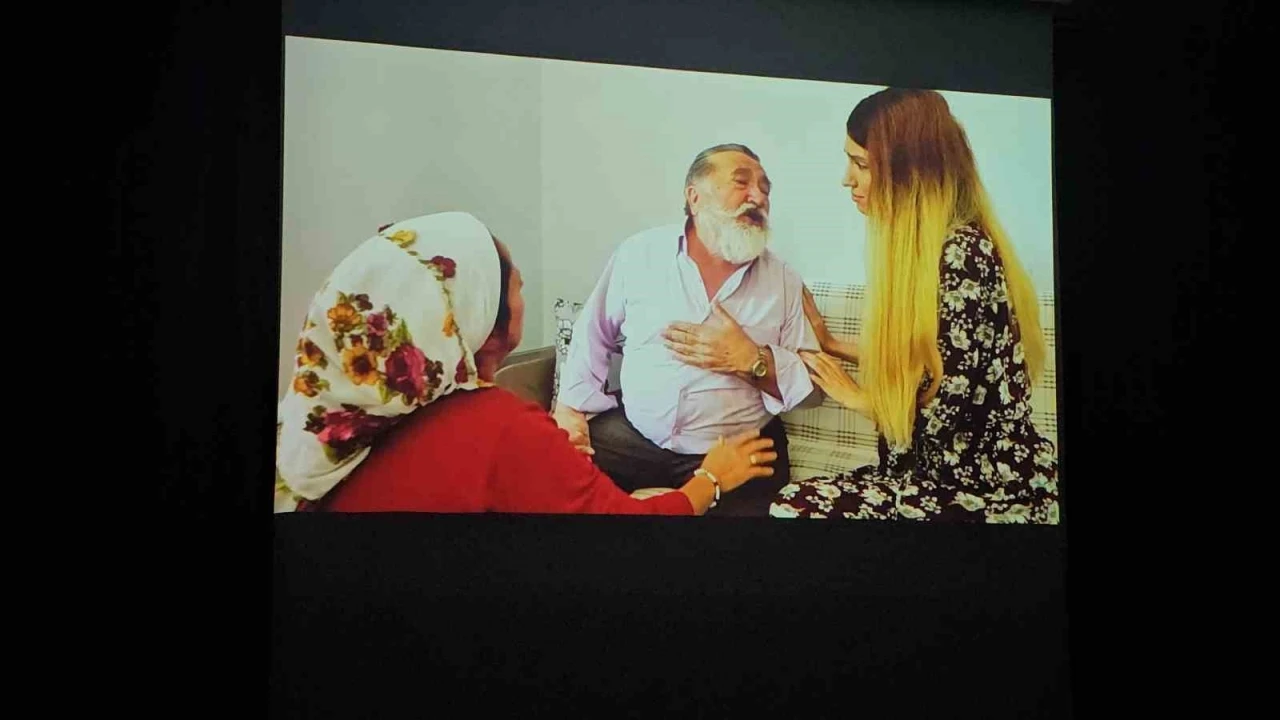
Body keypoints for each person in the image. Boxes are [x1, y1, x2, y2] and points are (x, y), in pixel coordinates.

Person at [273, 210, 777, 515]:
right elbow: (623, 525)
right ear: (474, 315)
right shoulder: (500, 425)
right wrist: (712, 478)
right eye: (514, 284)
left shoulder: (339, 419)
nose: (523, 292)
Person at [776, 88, 1060, 524]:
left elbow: (945, 414)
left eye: (861, 164)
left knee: (794, 507)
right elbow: (935, 363)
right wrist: (835, 346)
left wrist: (858, 397)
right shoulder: (931, 251)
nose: (846, 179)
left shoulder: (962, 256)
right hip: (930, 475)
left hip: (983, 486)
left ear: (909, 172)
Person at [552, 144, 821, 517]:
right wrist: (569, 408)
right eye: (741, 182)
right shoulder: (639, 254)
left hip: (736, 448)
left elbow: (813, 390)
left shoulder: (784, 281)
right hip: (634, 437)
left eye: (765, 189)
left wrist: (753, 361)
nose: (758, 197)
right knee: (554, 480)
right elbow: (594, 332)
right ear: (694, 197)